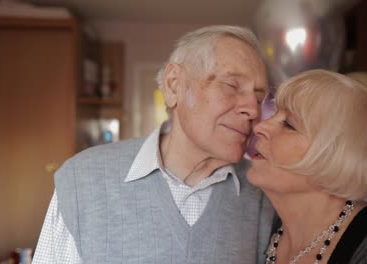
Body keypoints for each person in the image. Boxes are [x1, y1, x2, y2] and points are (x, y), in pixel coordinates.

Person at [33, 25, 275, 264]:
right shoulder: (82, 179)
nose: (253, 110)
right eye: (232, 85)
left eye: (258, 98)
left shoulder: (266, 194)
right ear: (173, 85)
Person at [247, 69, 367, 263]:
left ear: (335, 158)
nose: (260, 127)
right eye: (274, 113)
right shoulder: (260, 226)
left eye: (289, 124)